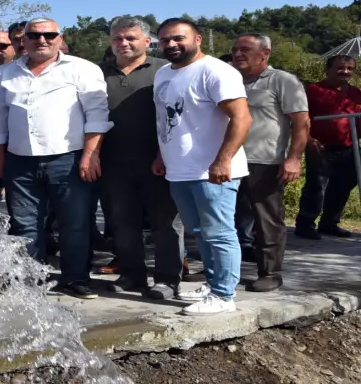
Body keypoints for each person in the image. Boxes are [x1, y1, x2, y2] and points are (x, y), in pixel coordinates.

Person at [0, 18, 111, 300]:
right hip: (20, 161)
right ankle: (31, 278)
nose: (41, 40)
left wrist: (91, 155)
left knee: (75, 223)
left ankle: (75, 279)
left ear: (60, 38)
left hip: (68, 159)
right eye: (34, 35)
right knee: (24, 223)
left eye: (49, 35)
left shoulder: (82, 69)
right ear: (24, 39)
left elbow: (97, 116)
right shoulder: (7, 72)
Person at [153, 18, 252, 316]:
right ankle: (213, 284)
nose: (171, 44)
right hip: (179, 168)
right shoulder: (163, 73)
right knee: (200, 232)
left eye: (178, 38)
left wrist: (223, 159)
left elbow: (242, 118)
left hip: (212, 170)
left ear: (197, 39)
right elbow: (167, 121)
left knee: (218, 232)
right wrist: (162, 155)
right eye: (165, 40)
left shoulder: (216, 71)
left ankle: (223, 294)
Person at [99, 17, 184, 299]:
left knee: (166, 223)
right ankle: (132, 275)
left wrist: (164, 155)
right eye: (117, 39)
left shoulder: (167, 70)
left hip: (159, 162)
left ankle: (168, 279)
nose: (123, 43)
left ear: (148, 42)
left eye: (130, 38)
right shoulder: (96, 73)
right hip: (113, 162)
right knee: (123, 222)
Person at [231, 33, 309, 292]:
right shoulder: (230, 80)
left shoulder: (282, 80)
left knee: (266, 221)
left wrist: (294, 158)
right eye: (235, 50)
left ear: (265, 53)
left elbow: (301, 122)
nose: (238, 54)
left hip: (264, 161)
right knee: (222, 218)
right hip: (229, 159)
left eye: (245, 49)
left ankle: (271, 272)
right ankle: (220, 269)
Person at [295, 55, 361, 240]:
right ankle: (306, 223)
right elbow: (301, 118)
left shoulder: (356, 93)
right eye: (341, 68)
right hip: (320, 146)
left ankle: (330, 223)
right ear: (328, 69)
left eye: (349, 68)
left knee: (344, 185)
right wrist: (308, 140)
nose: (345, 72)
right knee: (316, 185)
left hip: (348, 147)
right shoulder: (314, 90)